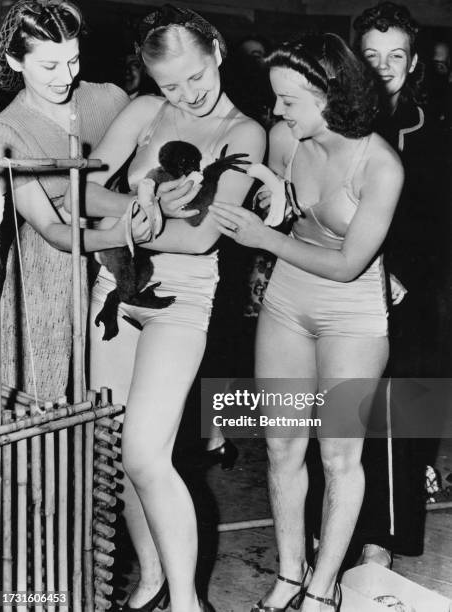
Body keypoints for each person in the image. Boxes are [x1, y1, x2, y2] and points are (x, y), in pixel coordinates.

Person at [78, 5, 265, 610]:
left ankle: (188, 601)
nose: (186, 95)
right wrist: (137, 210)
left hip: (182, 298)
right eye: (169, 85)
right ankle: (154, 581)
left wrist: (128, 219)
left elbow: (201, 238)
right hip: (117, 290)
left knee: (145, 452)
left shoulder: (243, 133)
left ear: (216, 49)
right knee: (119, 452)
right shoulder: (145, 111)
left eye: (194, 77)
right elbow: (82, 186)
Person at [210, 33, 403, 611]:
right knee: (282, 447)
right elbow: (278, 202)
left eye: (290, 100)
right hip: (288, 305)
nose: (277, 112)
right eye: (275, 100)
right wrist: (267, 198)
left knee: (338, 455)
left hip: (351, 316)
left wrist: (265, 237)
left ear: (331, 92)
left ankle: (322, 590)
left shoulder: (381, 165)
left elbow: (347, 266)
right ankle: (289, 575)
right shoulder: (281, 138)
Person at [0, 0, 152, 401]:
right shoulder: (6, 132)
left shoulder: (112, 99)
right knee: (47, 399)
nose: (65, 77)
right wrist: (119, 231)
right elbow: (49, 228)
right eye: (49, 66)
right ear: (15, 61)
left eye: (73, 60)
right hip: (49, 273)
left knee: (118, 395)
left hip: (123, 264)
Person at [352, 1, 448, 566]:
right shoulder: (341, 126)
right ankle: (337, 527)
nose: (385, 67)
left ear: (413, 63)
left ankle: (382, 540)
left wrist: (407, 275)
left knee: (402, 409)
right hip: (348, 279)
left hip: (416, 288)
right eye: (372, 56)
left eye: (397, 56)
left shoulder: (433, 129)